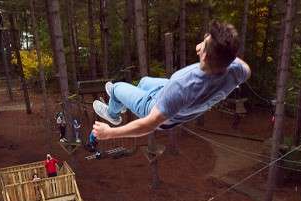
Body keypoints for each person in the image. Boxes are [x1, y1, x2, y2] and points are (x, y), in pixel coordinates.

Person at [92, 21, 251, 140]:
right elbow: (246, 69)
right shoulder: (237, 71)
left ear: (205, 56)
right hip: (177, 103)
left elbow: (149, 124)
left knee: (117, 88)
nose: (197, 46)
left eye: (202, 45)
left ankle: (113, 113)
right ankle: (122, 102)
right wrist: (224, 49)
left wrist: (110, 133)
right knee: (144, 82)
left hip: (156, 109)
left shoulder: (182, 85)